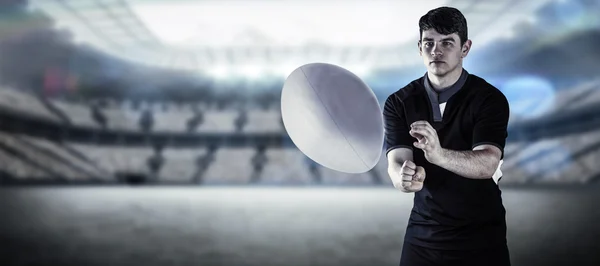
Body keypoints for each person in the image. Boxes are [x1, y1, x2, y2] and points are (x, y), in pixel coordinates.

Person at [383, 7, 511, 266]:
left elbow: (488, 163)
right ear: (419, 47)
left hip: (482, 235)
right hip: (423, 234)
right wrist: (404, 179)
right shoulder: (399, 102)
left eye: (447, 43)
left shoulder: (489, 99)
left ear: (465, 48)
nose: (436, 51)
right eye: (429, 43)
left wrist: (438, 155)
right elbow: (396, 162)